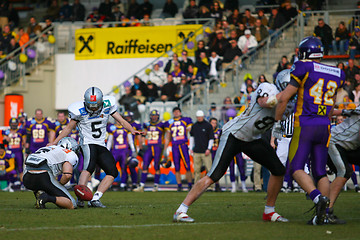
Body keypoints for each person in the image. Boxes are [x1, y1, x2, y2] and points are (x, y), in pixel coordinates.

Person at [173, 70, 291, 223]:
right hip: (234, 134)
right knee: (214, 175)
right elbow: (264, 102)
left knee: (278, 169)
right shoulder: (268, 87)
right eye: (292, 86)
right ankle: (181, 210)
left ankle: (269, 211)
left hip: (253, 139)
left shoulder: (290, 103)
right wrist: (285, 96)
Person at [273, 36, 345, 225]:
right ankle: (323, 215)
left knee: (295, 168)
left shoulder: (303, 67)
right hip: (325, 125)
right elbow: (331, 108)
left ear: (304, 53)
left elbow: (283, 99)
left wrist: (277, 121)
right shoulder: (337, 72)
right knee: (320, 172)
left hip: (305, 124)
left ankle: (317, 197)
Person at [50, 87, 142, 208]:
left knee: (112, 172)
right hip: (87, 143)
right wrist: (55, 142)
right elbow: (68, 128)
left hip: (101, 144)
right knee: (88, 169)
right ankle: (80, 199)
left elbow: (122, 121)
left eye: (95, 105)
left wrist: (132, 130)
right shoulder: (79, 111)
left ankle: (95, 198)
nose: (93, 108)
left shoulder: (108, 106)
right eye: (91, 105)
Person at [23, 138, 79, 209]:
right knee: (72, 204)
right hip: (43, 175)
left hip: (26, 177)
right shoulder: (69, 153)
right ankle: (46, 198)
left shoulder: (47, 148)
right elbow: (67, 175)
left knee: (46, 184)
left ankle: (40, 195)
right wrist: (60, 184)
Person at [326, 107, 360, 224]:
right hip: (334, 143)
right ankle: (325, 212)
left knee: (345, 171)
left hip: (345, 145)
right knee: (344, 172)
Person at [133, 110, 166, 192]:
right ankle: (142, 186)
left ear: (158, 116)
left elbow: (168, 133)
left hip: (158, 147)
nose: (154, 117)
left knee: (156, 166)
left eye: (155, 116)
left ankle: (156, 185)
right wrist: (142, 143)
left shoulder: (162, 124)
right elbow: (143, 134)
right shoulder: (147, 124)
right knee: (145, 165)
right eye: (152, 115)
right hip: (149, 146)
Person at [164, 107, 193, 192]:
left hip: (183, 145)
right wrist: (165, 148)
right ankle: (179, 185)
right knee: (177, 167)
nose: (176, 113)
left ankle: (190, 184)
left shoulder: (185, 120)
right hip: (175, 146)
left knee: (187, 166)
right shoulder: (170, 122)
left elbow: (190, 133)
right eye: (175, 112)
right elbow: (168, 137)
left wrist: (191, 145)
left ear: (180, 112)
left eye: (178, 111)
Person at [106, 116, 137, 191]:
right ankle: (108, 184)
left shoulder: (126, 128)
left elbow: (130, 140)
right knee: (111, 168)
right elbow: (110, 141)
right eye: (117, 120)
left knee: (124, 168)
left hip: (124, 151)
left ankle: (123, 184)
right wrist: (106, 150)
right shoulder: (113, 128)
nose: (118, 121)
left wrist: (133, 150)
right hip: (115, 151)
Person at [189, 110, 214, 184]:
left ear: (203, 117)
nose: (199, 118)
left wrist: (209, 149)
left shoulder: (208, 126)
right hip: (197, 151)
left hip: (205, 151)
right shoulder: (194, 126)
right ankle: (196, 186)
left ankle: (210, 186)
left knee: (209, 170)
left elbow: (211, 138)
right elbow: (192, 137)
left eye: (200, 117)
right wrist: (191, 148)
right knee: (196, 170)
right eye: (198, 117)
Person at [2, 118, 26, 189]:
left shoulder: (21, 131)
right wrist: (7, 138)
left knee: (20, 169)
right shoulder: (6, 131)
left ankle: (22, 184)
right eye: (12, 123)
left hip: (18, 151)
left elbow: (24, 142)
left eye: (15, 123)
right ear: (10, 124)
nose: (14, 125)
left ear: (17, 124)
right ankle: (9, 184)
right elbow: (4, 141)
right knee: (9, 168)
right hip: (9, 152)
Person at [209, 117, 222, 191]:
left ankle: (217, 184)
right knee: (209, 168)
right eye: (212, 123)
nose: (214, 124)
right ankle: (210, 186)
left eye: (215, 123)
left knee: (217, 169)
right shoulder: (208, 131)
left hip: (217, 151)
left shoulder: (219, 131)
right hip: (210, 152)